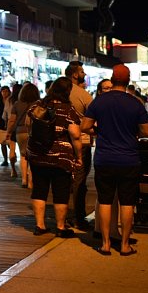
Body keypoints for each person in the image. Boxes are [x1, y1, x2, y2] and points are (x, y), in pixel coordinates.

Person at [82, 64, 148, 256]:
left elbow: (84, 126)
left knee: (105, 201)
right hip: (129, 159)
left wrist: (98, 131)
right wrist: (133, 132)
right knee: (127, 202)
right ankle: (124, 245)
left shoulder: (99, 101)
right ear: (128, 80)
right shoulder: (135, 103)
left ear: (112, 79)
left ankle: (105, 244)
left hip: (104, 158)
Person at [27, 77, 83, 237]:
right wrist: (78, 156)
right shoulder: (68, 109)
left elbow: (29, 122)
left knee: (39, 190)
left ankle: (40, 226)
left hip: (38, 155)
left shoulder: (39, 105)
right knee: (61, 192)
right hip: (60, 157)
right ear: (67, 91)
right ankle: (60, 227)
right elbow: (75, 134)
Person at [66, 62, 94, 230]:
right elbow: (93, 117)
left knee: (64, 180)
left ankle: (64, 216)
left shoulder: (56, 91)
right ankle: (78, 217)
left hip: (61, 142)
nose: (84, 73)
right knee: (80, 181)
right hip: (81, 142)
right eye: (82, 71)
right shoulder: (83, 95)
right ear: (75, 75)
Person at [6, 83, 40, 188]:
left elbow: (11, 120)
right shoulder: (39, 104)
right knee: (33, 156)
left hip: (20, 132)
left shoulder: (17, 104)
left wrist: (8, 132)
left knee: (23, 155)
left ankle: (24, 180)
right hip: (34, 131)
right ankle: (31, 182)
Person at [0, 86, 13, 171]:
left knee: (10, 143)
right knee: (2, 143)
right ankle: (5, 159)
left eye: (6, 91)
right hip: (0, 124)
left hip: (9, 124)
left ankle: (12, 157)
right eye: (3, 91)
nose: (4, 93)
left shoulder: (11, 102)